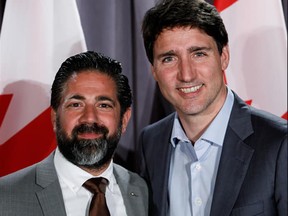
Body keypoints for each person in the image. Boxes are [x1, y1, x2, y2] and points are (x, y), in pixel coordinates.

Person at [136, 0, 287, 216]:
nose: (186, 74)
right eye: (169, 59)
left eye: (198, 54)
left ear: (223, 57)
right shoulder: (151, 142)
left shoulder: (279, 143)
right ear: (154, 70)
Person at [0, 51, 148, 216]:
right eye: (76, 104)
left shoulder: (141, 190)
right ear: (55, 117)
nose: (90, 118)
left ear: (124, 119)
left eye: (104, 105)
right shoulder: (5, 196)